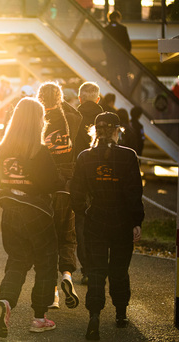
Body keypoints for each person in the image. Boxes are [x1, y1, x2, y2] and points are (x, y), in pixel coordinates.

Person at [0, 97, 61, 338]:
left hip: (10, 212)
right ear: (37, 120)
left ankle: (5, 302)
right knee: (46, 262)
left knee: (17, 260)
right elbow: (50, 183)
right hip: (37, 214)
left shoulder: (3, 149)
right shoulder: (39, 151)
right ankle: (39, 318)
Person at [70, 112, 144, 340]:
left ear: (95, 131)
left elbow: (76, 194)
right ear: (117, 130)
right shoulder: (128, 156)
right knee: (119, 270)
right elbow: (134, 193)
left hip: (95, 221)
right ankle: (121, 315)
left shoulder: (85, 157)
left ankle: (94, 317)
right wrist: (136, 221)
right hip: (122, 222)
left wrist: (85, 212)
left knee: (96, 272)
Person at [36, 82, 82, 311]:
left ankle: (52, 295)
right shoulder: (71, 120)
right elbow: (76, 112)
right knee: (67, 236)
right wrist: (58, 100)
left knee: (46, 241)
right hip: (67, 186)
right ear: (60, 98)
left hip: (45, 189)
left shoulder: (38, 121)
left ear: (40, 98)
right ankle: (66, 275)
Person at [73, 82, 103, 285]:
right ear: (98, 99)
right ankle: (101, 265)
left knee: (81, 224)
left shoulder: (73, 119)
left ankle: (87, 268)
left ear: (80, 98)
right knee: (103, 222)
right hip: (104, 179)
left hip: (79, 179)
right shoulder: (108, 120)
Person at [103, 11, 132, 94]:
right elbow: (128, 45)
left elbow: (104, 45)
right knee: (124, 75)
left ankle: (115, 90)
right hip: (122, 58)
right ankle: (126, 93)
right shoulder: (123, 29)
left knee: (112, 75)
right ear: (117, 18)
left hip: (111, 58)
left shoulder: (106, 29)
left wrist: (108, 53)